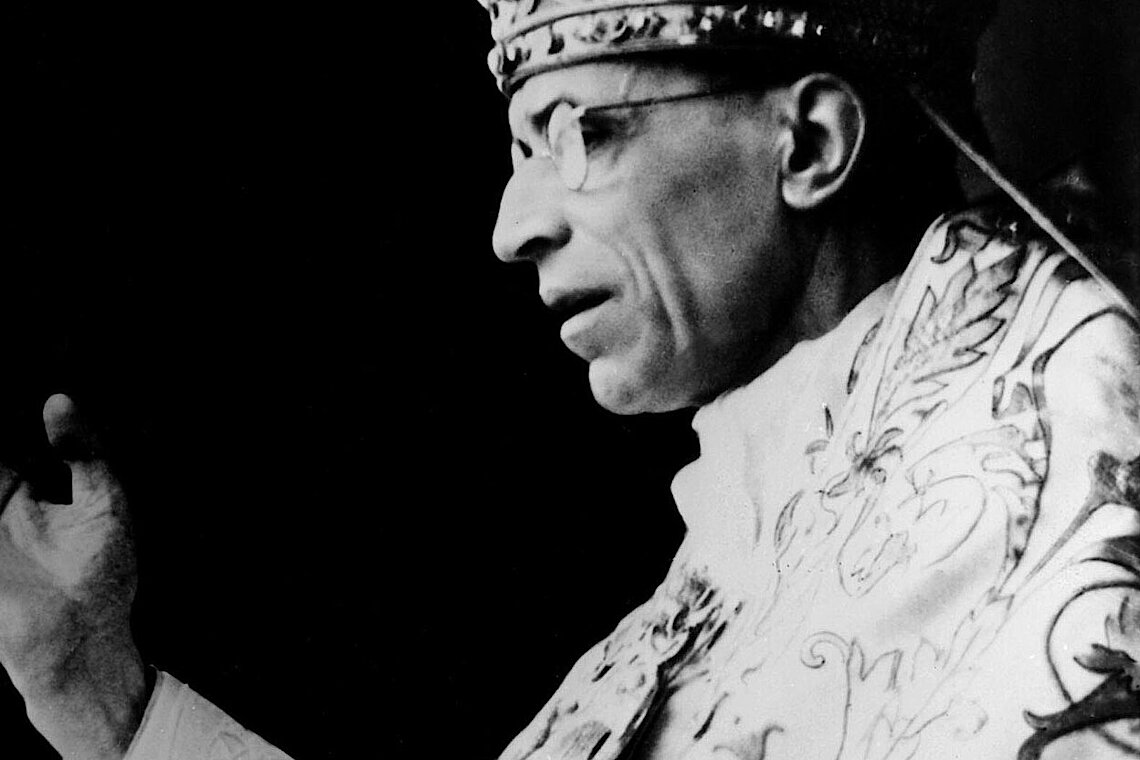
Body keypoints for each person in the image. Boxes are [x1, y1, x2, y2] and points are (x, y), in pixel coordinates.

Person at [1, 2, 1137, 759]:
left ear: (808, 145)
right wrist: (98, 695)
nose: (513, 227)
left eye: (575, 136)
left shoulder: (1074, 427)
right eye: (519, 153)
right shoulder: (737, 545)